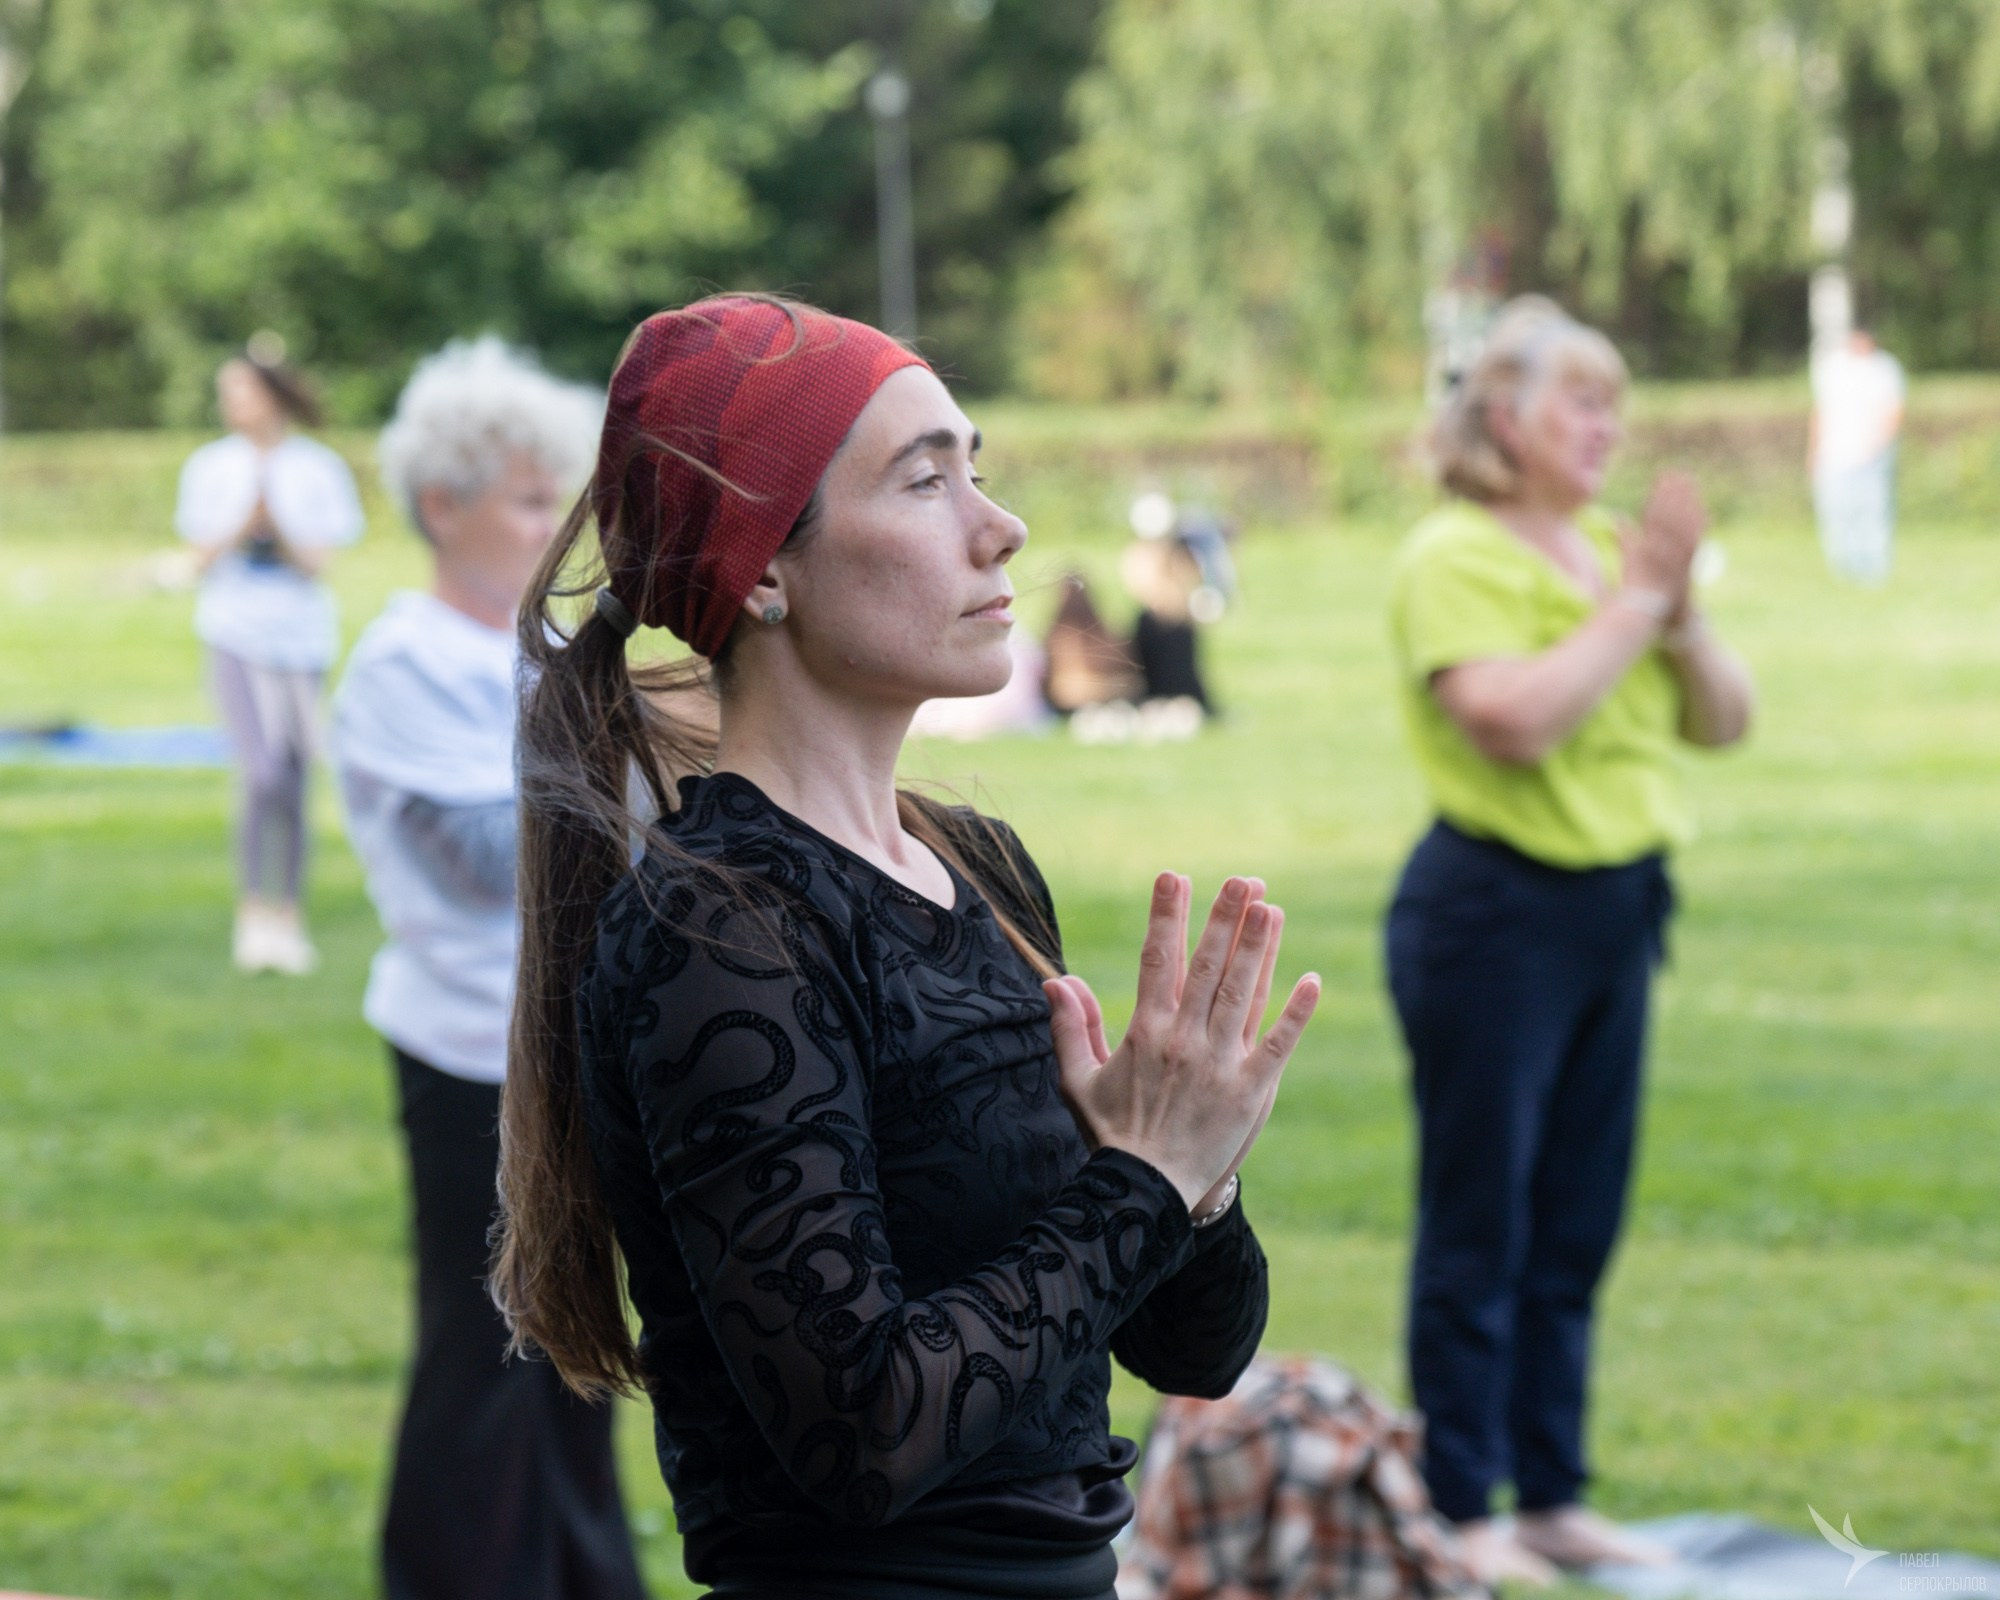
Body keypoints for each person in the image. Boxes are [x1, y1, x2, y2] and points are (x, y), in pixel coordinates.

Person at [491, 294, 1323, 1600]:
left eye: (975, 469)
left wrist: (1193, 1179)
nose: (1002, 527)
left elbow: (1196, 1350)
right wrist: (1141, 1184)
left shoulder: (979, 871)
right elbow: (863, 1433)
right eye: (925, 481)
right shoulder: (720, 931)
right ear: (764, 568)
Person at [1385, 298, 1754, 1584]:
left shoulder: (1608, 549)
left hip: (1614, 910)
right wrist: (1636, 604)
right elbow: (1512, 720)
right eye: (1575, 403)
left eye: (1613, 405)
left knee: (1576, 1218)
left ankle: (1548, 1490)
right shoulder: (1453, 553)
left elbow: (1724, 720)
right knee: (1480, 1218)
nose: (1604, 429)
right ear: (1499, 417)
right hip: (1494, 917)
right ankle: (1457, 1502)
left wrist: (1675, 612)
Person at [329, 339, 646, 1600]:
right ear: (441, 505)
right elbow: (489, 855)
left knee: (576, 1345)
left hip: (565, 1045)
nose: (553, 524)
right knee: (486, 1350)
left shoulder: (537, 655)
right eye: (528, 498)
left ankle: (581, 1574)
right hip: (472, 1053)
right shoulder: (406, 659)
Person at [176, 336, 364, 973]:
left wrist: (276, 524)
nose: (232, 403)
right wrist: (240, 523)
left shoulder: (316, 468)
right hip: (235, 634)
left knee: (294, 778)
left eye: (242, 390)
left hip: (300, 643)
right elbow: (197, 558)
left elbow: (318, 561)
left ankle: (289, 915)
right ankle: (252, 911)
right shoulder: (210, 467)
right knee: (260, 774)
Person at [1810, 324, 1905, 586]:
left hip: (1871, 456)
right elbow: (1821, 411)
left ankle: (1874, 569)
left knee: (1872, 511)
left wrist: (1877, 447)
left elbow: (1894, 411)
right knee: (1838, 512)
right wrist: (1814, 451)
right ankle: (1842, 568)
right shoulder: (1834, 369)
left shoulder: (1884, 369)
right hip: (1835, 455)